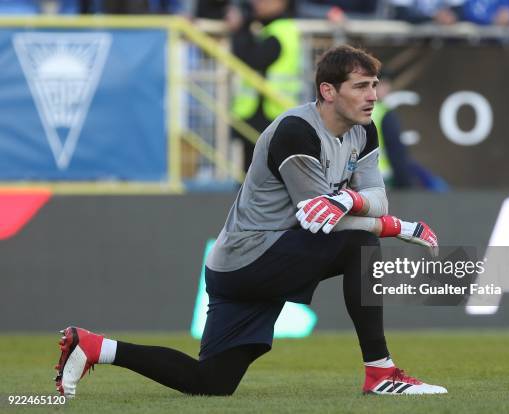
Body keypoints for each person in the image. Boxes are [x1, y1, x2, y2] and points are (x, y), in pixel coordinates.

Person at [55, 45, 447, 398]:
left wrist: (350, 198)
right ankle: (380, 372)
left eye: (374, 85)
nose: (373, 96)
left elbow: (377, 200)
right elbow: (321, 224)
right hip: (251, 257)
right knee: (359, 245)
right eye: (361, 86)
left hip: (241, 264)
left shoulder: (364, 130)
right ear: (329, 91)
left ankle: (94, 346)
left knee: (210, 382)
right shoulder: (297, 132)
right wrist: (400, 228)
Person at [228, 0, 301, 172]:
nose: (256, 3)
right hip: (262, 114)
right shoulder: (272, 28)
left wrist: (240, 28)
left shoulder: (280, 31)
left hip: (271, 116)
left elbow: (252, 59)